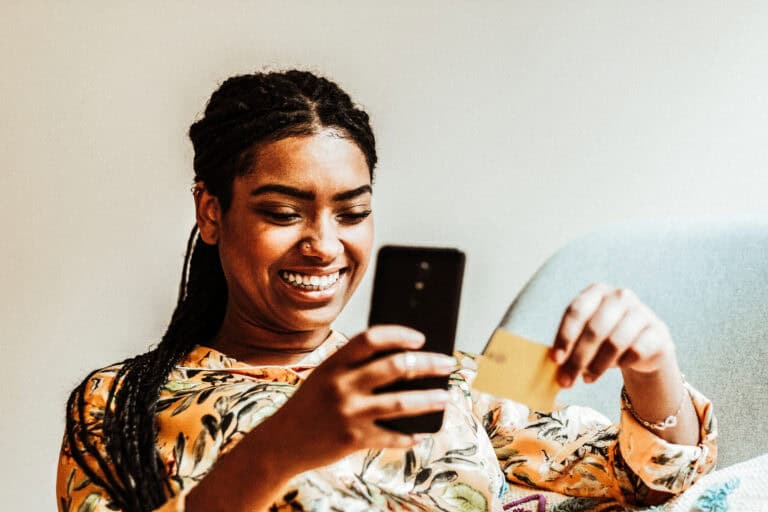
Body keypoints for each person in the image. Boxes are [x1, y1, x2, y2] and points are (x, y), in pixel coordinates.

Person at [56, 70, 717, 512]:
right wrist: (278, 450)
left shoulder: (462, 367)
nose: (323, 243)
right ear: (211, 211)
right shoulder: (111, 403)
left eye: (352, 212)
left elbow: (653, 478)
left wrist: (653, 366)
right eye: (283, 213)